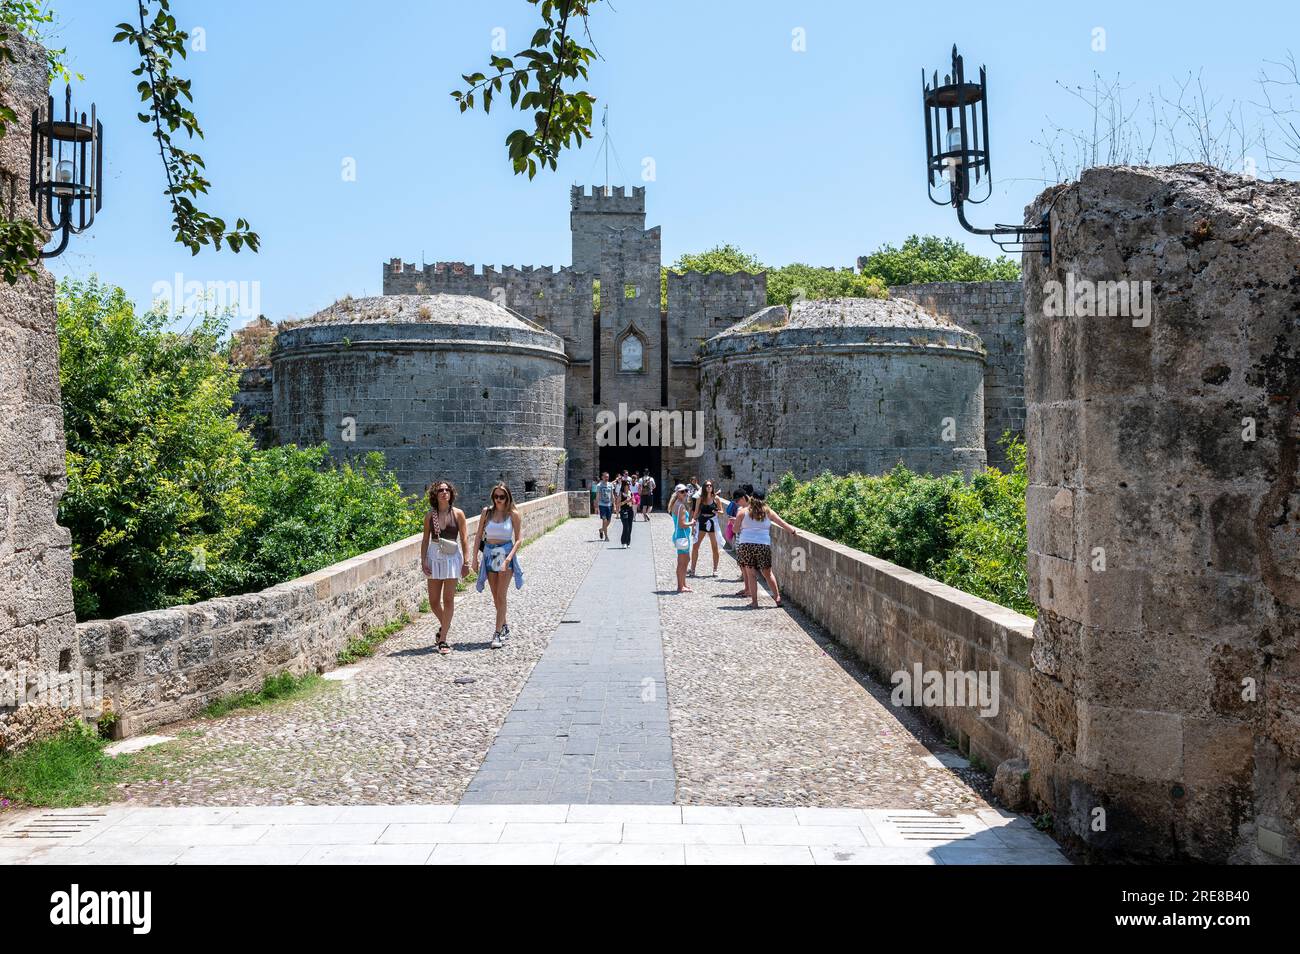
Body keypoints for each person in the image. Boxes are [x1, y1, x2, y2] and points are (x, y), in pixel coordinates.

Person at [420, 479, 471, 655]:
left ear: (451, 494)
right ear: (435, 494)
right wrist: (423, 560)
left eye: (447, 490)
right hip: (434, 556)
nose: (444, 492)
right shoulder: (430, 516)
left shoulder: (458, 514)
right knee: (434, 601)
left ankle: (443, 640)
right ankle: (445, 626)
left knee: (448, 599)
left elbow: (464, 538)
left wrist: (466, 561)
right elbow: (425, 539)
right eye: (441, 490)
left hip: (451, 559)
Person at [473, 482, 523, 649]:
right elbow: (479, 535)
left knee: (501, 595)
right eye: (496, 497)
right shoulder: (487, 513)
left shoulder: (513, 514)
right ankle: (504, 626)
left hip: (504, 553)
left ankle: (497, 634)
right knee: (495, 596)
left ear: (507, 497)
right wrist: (474, 558)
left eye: (502, 497)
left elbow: (519, 539)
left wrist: (508, 559)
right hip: (489, 553)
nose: (498, 500)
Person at [733, 490, 798, 608]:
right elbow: (782, 523)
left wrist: (744, 528)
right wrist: (792, 531)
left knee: (751, 574)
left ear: (751, 498)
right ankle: (777, 597)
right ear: (764, 500)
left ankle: (754, 602)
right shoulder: (768, 512)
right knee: (768, 573)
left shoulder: (742, 512)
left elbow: (735, 530)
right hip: (763, 545)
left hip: (746, 544)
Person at [689, 480, 724, 576]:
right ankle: (692, 569)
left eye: (710, 485)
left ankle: (715, 569)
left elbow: (722, 512)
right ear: (704, 487)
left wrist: (717, 511)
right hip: (702, 522)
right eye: (707, 485)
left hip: (712, 522)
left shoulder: (716, 499)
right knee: (696, 546)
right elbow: (696, 512)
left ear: (712, 487)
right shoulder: (700, 499)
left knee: (714, 547)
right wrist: (693, 525)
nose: (709, 487)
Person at [669, 484, 695, 592]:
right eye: (682, 492)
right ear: (677, 493)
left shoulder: (676, 504)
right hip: (682, 535)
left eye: (686, 491)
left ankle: (683, 584)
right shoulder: (681, 506)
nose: (685, 493)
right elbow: (682, 524)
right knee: (682, 562)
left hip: (680, 535)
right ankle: (680, 586)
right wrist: (692, 523)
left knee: (685, 560)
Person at [594, 471, 615, 541]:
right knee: (605, 520)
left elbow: (612, 495)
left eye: (608, 477)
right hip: (602, 505)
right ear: (602, 477)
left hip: (609, 505)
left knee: (609, 521)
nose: (607, 478)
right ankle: (606, 537)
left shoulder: (610, 485)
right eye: (605, 477)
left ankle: (601, 530)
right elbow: (597, 497)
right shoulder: (599, 486)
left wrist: (614, 505)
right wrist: (596, 507)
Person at [616, 477, 636, 547]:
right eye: (627, 485)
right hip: (624, 511)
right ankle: (623, 542)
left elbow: (634, 501)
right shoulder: (621, 494)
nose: (628, 487)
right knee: (626, 526)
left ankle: (628, 542)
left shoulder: (631, 493)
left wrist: (632, 500)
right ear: (624, 486)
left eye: (628, 485)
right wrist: (625, 501)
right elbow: (618, 504)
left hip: (630, 511)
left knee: (630, 527)